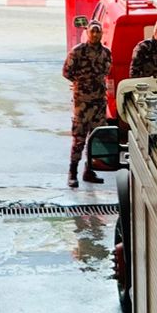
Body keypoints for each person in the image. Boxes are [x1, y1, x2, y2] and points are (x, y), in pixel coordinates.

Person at [61, 21, 111, 189]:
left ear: (102, 33)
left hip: (99, 103)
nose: (95, 35)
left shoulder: (106, 53)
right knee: (79, 139)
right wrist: (81, 83)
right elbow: (66, 72)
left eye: (98, 32)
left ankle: (89, 171)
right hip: (82, 103)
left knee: (95, 138)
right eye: (92, 31)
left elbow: (106, 72)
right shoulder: (78, 51)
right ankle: (72, 173)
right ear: (88, 32)